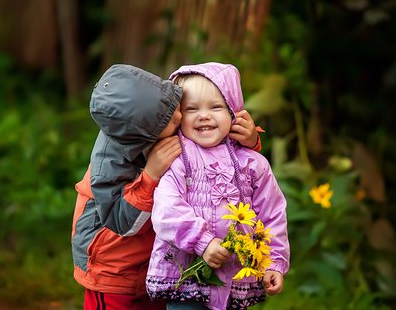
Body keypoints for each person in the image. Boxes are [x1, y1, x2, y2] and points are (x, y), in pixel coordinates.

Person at [71, 64, 262, 310]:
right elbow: (121, 222)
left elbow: (214, 149)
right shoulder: (109, 165)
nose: (182, 118)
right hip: (113, 267)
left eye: (177, 109)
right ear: (146, 135)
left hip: (156, 259)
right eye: (172, 121)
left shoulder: (154, 111)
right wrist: (150, 175)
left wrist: (250, 140)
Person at [146, 62, 290, 310]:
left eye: (215, 107)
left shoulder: (253, 164)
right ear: (178, 116)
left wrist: (273, 263)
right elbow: (166, 209)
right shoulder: (177, 159)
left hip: (235, 278)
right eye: (191, 109)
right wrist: (202, 241)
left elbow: (272, 214)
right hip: (187, 277)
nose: (204, 115)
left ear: (234, 113)